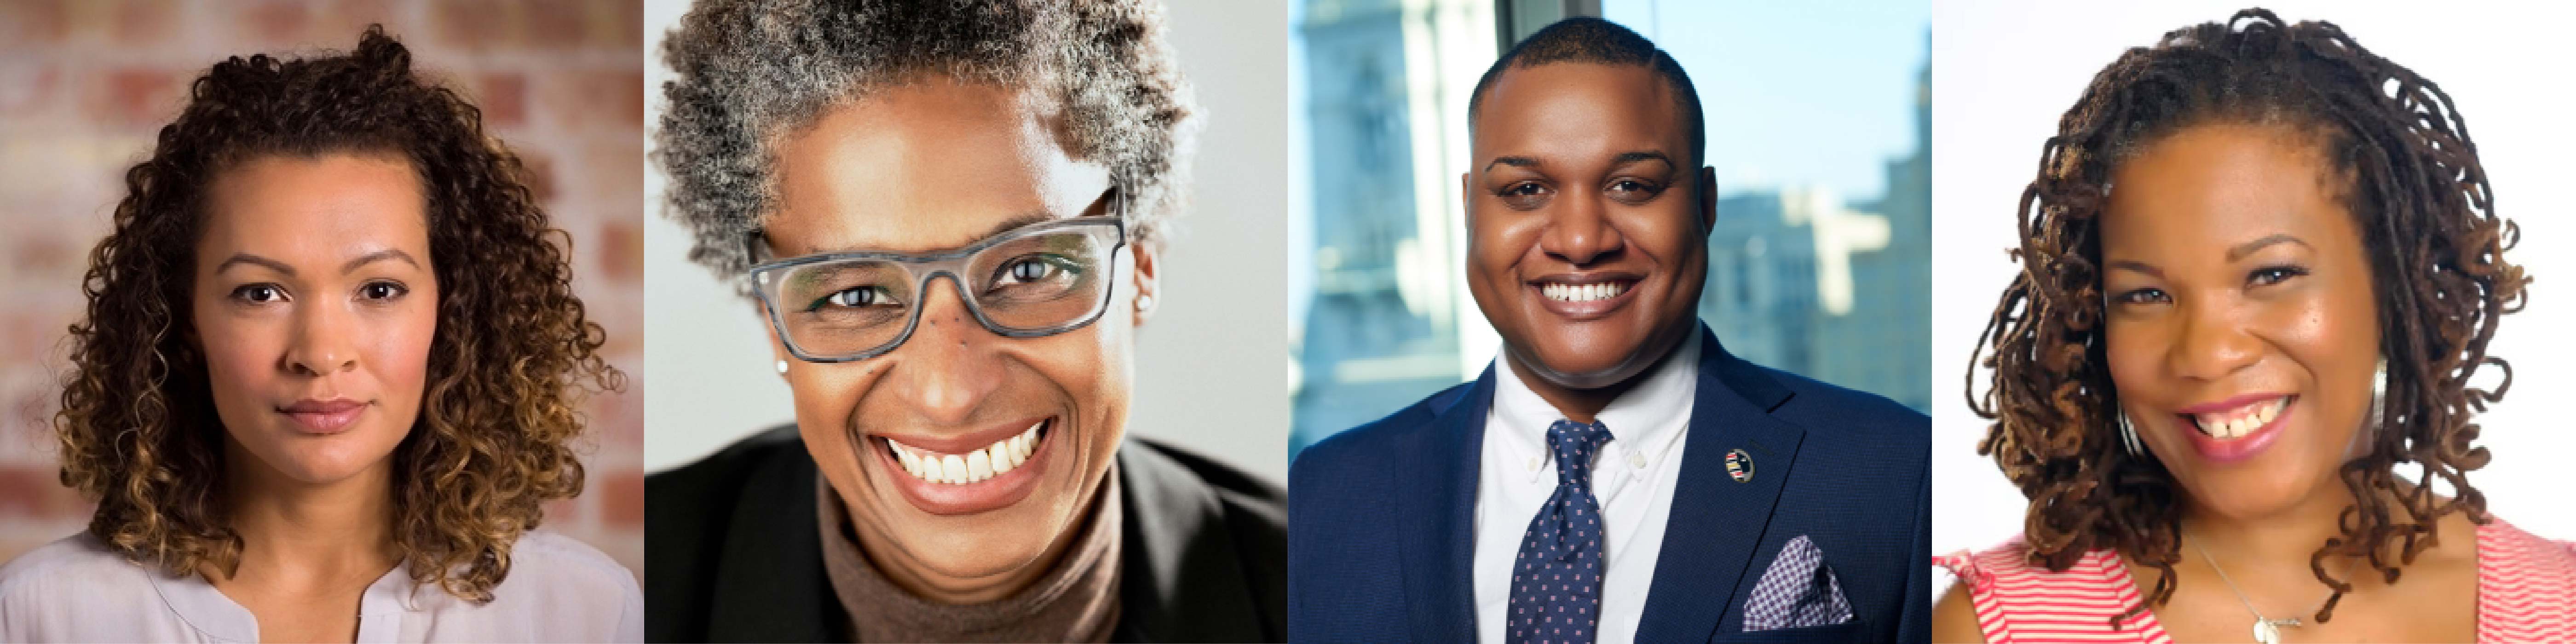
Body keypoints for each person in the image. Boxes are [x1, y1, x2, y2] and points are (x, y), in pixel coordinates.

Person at [643, 0, 1284, 641]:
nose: (950, 393)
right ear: (773, 321)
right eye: (857, 297)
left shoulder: (1311, 583)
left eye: (1028, 271)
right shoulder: (635, 589)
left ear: (1140, 267)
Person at [1936, 9, 2572, 643]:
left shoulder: (2559, 607)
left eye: (2271, 276)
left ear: (2393, 281)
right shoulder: (1999, 629)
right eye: (2146, 294)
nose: (2208, 354)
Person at [1288, 17, 1930, 644]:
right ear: (1468, 210)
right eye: (1527, 189)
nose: (1580, 240)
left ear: (1705, 206)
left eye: (1631, 186)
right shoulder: (1325, 496)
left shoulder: (1899, 473)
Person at [0, 27, 639, 643]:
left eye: (379, 290)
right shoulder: (42, 615)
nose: (321, 354)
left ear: (454, 310)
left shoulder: (583, 609)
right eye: (260, 293)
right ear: (184, 318)